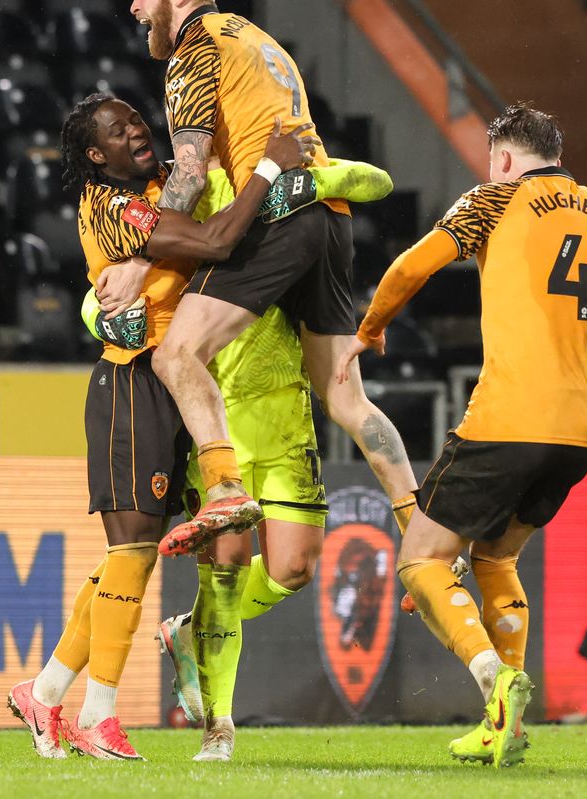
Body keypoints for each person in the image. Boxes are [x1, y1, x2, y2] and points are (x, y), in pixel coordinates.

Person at [337, 104, 587, 767]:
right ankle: (508, 725)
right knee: (495, 558)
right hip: (577, 433)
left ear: (502, 157)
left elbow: (412, 267)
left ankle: (492, 677)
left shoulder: (495, 200)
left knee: (422, 560)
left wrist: (372, 325)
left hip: (508, 418)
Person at [7, 93, 317, 760]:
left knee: (133, 554)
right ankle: (98, 715)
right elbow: (212, 241)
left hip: (170, 381)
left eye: (137, 120)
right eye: (118, 131)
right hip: (132, 377)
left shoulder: (158, 188)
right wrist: (266, 167)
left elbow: (197, 233)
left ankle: (45, 689)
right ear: (96, 155)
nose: (136, 132)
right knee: (132, 553)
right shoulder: (114, 205)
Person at [81, 150, 386, 760]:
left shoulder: (277, 187)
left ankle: (189, 635)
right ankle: (218, 728)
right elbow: (107, 289)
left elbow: (375, 180)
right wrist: (104, 316)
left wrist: (306, 177)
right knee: (224, 572)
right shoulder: (181, 193)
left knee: (294, 569)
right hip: (212, 425)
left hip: (284, 418)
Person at [125, 0, 419, 554]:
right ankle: (420, 523)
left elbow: (187, 178)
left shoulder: (195, 50)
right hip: (329, 219)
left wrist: (140, 261)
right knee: (345, 397)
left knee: (175, 354)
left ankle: (227, 487)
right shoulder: (260, 40)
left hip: (276, 219)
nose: (135, 7)